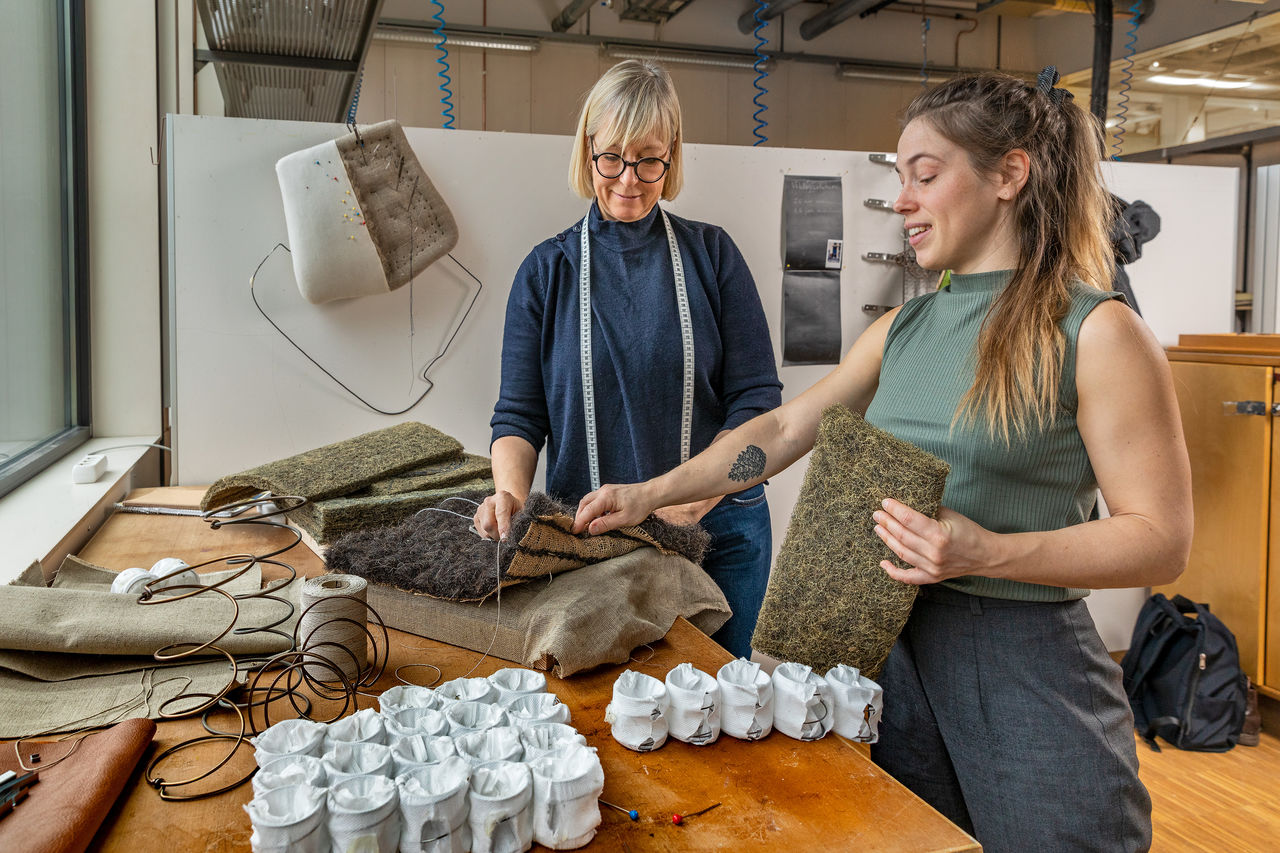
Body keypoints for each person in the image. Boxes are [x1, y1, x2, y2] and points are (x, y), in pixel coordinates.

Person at [572, 69, 1192, 852]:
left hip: (1026, 663)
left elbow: (1162, 538)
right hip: (895, 654)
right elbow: (788, 424)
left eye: (924, 176)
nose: (901, 198)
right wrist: (649, 492)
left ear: (1010, 174)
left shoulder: (1097, 332)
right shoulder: (905, 326)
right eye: (900, 177)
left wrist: (988, 550)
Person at [475, 60, 783, 660]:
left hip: (720, 531)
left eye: (649, 158)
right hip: (592, 538)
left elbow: (757, 398)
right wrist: (510, 493)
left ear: (672, 156)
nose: (628, 178)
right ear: (586, 150)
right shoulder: (546, 272)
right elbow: (518, 414)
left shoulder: (714, 255)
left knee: (726, 704)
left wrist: (706, 487)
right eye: (611, 157)